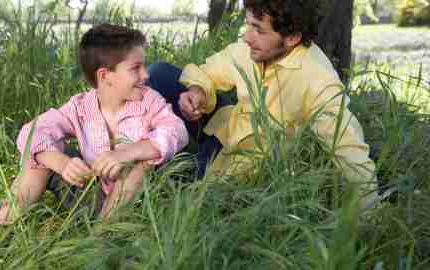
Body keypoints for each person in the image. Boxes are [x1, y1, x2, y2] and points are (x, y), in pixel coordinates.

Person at [0, 24, 189, 247]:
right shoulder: (80, 107)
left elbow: (177, 131)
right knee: (43, 153)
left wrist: (130, 151)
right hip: (91, 198)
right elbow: (31, 132)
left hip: (139, 204)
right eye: (136, 68)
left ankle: (99, 242)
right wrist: (62, 163)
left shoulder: (149, 101)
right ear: (105, 76)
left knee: (140, 164)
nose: (145, 74)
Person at [147, 0, 377, 205]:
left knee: (169, 185)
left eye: (258, 29)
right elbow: (210, 72)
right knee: (159, 73)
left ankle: (159, 160)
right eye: (248, 24)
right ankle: (131, 135)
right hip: (224, 125)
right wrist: (197, 92)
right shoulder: (252, 49)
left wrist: (370, 209)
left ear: (292, 37)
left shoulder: (318, 79)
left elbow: (346, 147)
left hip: (243, 162)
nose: (247, 37)